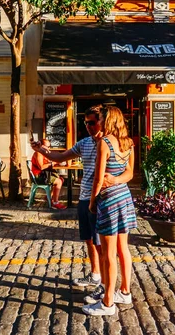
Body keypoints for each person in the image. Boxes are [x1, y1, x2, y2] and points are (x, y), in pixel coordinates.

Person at [31, 105, 132, 299]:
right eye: (85, 123)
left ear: (103, 121)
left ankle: (106, 288)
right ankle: (96, 276)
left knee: (105, 247)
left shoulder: (112, 143)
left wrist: (112, 182)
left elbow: (122, 173)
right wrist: (42, 150)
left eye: (93, 122)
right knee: (90, 240)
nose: (88, 126)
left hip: (102, 198)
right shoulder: (85, 143)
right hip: (86, 196)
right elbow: (60, 156)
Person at [82, 106, 136, 316]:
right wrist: (117, 179)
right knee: (124, 249)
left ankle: (107, 302)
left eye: (102, 119)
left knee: (108, 254)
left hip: (109, 200)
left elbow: (98, 177)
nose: (100, 123)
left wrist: (93, 201)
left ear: (109, 121)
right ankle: (125, 291)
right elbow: (130, 173)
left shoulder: (105, 143)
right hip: (124, 196)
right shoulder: (129, 143)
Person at [31, 138, 66, 209]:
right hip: (39, 176)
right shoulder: (39, 153)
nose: (49, 148)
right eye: (47, 146)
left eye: (49, 146)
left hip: (43, 174)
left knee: (61, 179)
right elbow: (41, 167)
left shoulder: (44, 153)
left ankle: (48, 196)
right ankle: (55, 202)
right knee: (58, 182)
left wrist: (53, 162)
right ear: (41, 145)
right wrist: (52, 163)